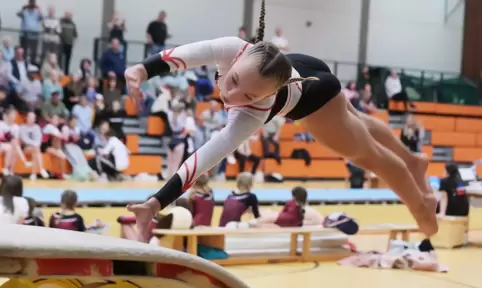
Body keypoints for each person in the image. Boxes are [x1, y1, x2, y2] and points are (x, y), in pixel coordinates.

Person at [125, 0, 437, 242]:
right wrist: (140, 70)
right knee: (359, 123)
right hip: (301, 66)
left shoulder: (255, 113)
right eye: (232, 81)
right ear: (243, 54)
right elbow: (179, 56)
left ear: (268, 94)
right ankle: (413, 160)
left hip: (314, 99)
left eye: (248, 96)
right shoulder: (231, 48)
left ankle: (422, 210)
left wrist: (156, 202)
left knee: (370, 157)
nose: (232, 97)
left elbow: (202, 159)